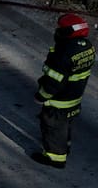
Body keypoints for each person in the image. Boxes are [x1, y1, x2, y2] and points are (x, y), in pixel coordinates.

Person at [32, 13, 94, 169]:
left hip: (59, 100)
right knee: (65, 124)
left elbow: (54, 82)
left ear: (69, 32)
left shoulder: (62, 54)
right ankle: (65, 145)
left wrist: (41, 96)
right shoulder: (87, 47)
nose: (57, 32)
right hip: (75, 97)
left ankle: (55, 157)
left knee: (52, 126)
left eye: (60, 30)